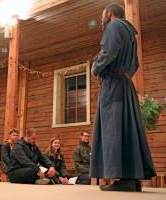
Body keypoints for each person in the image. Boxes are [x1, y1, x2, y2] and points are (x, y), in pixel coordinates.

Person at [90, 3, 156, 191]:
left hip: (113, 84)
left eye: (103, 15)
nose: (102, 19)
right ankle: (131, 179)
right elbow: (135, 64)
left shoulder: (113, 26)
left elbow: (109, 51)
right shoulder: (131, 33)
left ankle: (124, 178)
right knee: (127, 129)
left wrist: (96, 67)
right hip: (126, 84)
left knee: (113, 129)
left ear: (110, 14)